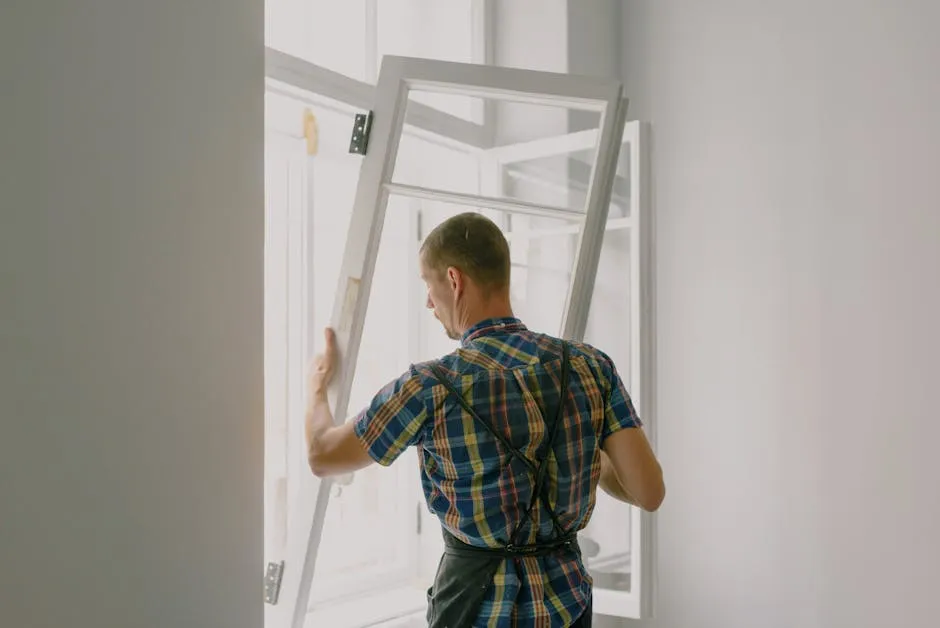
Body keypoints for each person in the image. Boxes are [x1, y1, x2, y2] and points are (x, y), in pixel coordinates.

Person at [305, 212, 665, 628]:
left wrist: (316, 389)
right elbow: (649, 492)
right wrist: (585, 455)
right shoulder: (589, 366)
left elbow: (322, 455)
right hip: (567, 607)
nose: (427, 301)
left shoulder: (429, 386)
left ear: (454, 281)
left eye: (428, 283)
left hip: (473, 611)